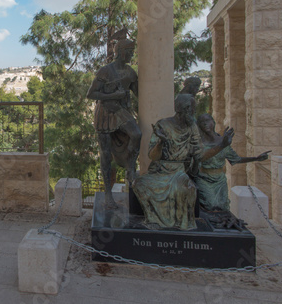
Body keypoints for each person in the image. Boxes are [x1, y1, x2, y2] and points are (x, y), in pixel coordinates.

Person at [133, 94, 234, 230]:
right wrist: (161, 142)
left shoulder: (192, 127)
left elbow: (200, 155)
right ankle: (153, 220)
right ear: (185, 109)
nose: (194, 112)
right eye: (193, 109)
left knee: (186, 189)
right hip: (160, 171)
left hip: (179, 173)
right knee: (138, 184)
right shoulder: (163, 125)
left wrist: (222, 145)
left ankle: (181, 223)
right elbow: (153, 156)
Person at [86, 39, 141, 209]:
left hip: (121, 111)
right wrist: (113, 96)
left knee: (136, 134)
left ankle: (130, 167)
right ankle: (108, 195)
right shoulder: (105, 71)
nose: (131, 54)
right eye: (129, 51)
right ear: (121, 51)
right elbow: (91, 94)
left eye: (132, 51)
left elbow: (140, 94)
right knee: (105, 155)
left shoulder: (131, 73)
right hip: (105, 113)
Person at [194, 114, 270, 212]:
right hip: (204, 179)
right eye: (201, 121)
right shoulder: (198, 142)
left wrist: (256, 158)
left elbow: (236, 159)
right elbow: (200, 158)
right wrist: (222, 145)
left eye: (208, 120)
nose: (205, 123)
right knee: (210, 205)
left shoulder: (223, 140)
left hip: (219, 180)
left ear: (213, 122)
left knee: (223, 207)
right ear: (198, 125)